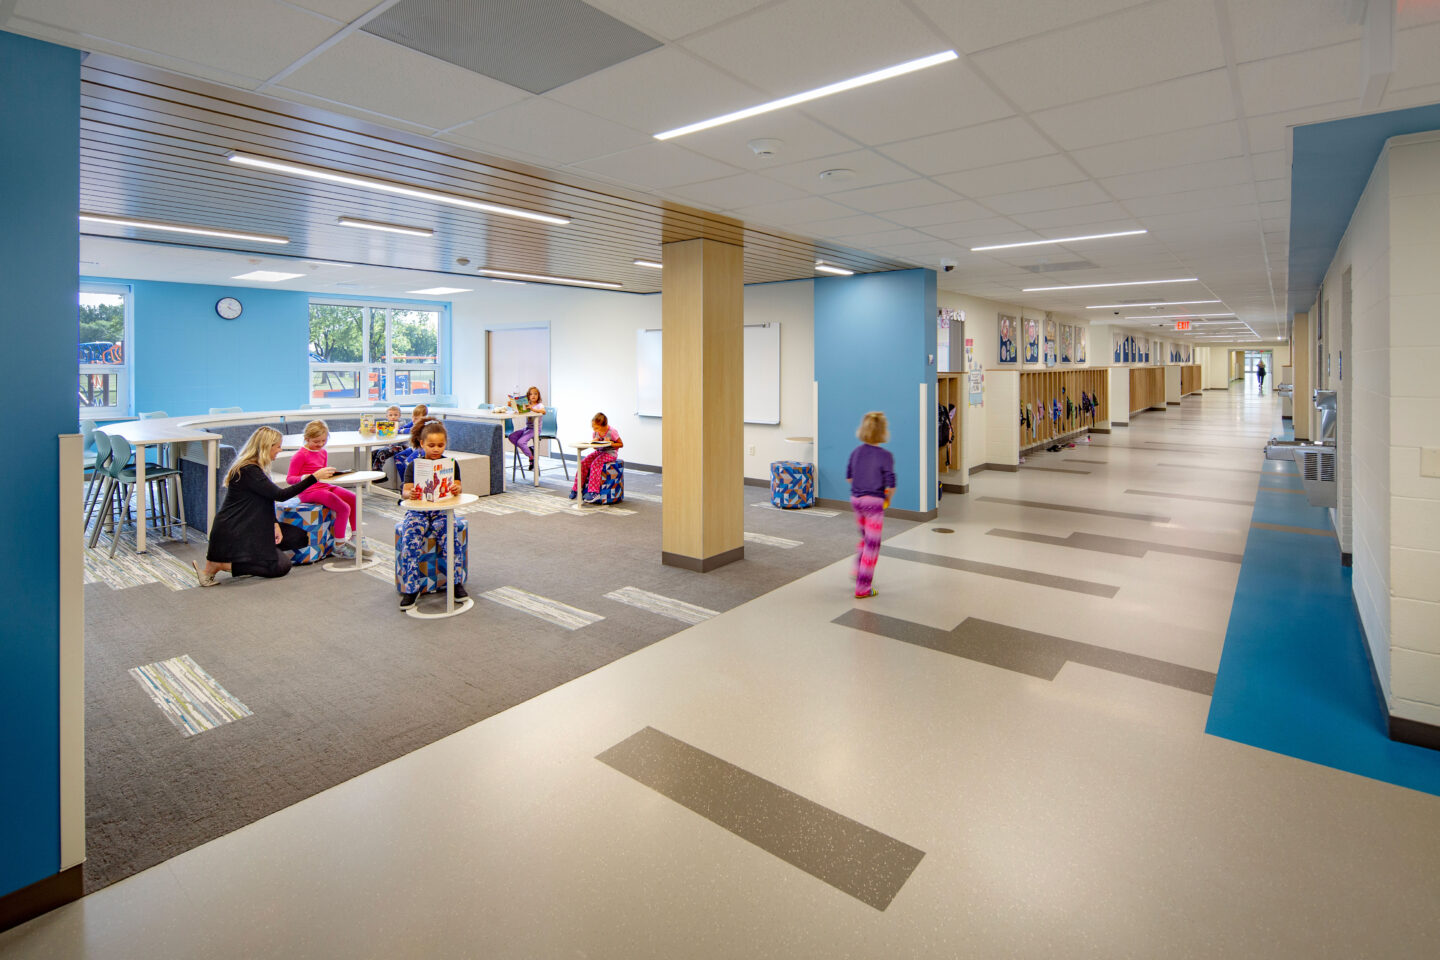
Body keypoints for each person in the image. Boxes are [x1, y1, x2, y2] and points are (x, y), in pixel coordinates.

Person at [193, 426, 335, 585]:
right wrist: (313, 478)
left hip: (255, 525)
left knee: (299, 537)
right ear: (267, 447)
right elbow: (280, 496)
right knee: (281, 566)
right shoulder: (248, 470)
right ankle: (219, 564)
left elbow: (267, 499)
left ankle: (256, 556)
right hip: (237, 530)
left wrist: (274, 523)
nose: (280, 450)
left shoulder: (256, 468)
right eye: (278, 446)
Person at [397, 420, 467, 610]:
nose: (436, 449)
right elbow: (405, 491)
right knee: (410, 538)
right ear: (422, 444)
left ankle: (455, 582)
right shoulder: (414, 465)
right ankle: (412, 587)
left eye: (440, 445)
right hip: (418, 510)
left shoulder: (451, 464)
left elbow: (459, 488)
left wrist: (455, 488)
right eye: (431, 445)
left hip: (442, 509)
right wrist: (410, 494)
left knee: (450, 538)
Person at [288, 420, 366, 558]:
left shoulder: (323, 452)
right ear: (306, 439)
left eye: (323, 441)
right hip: (308, 491)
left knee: (353, 498)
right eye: (316, 441)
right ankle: (339, 545)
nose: (320, 444)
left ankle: (356, 536)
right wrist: (308, 477)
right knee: (343, 508)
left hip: (324, 486)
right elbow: (290, 479)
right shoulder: (300, 455)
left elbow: (322, 474)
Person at [846, 411, 895, 600]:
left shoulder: (856, 452)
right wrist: (887, 498)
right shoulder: (885, 456)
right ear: (883, 432)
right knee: (872, 545)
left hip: (856, 501)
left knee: (865, 538)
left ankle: (857, 569)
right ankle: (863, 588)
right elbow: (891, 483)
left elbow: (850, 477)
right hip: (874, 503)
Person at [570, 412, 622, 503]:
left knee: (596, 463)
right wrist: (594, 442)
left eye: (597, 427)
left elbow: (621, 444)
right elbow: (596, 447)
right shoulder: (595, 433)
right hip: (600, 451)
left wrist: (610, 443)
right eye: (593, 427)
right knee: (583, 462)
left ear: (604, 425)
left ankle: (594, 492)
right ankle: (577, 488)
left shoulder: (612, 431)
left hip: (610, 453)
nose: (595, 430)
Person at [505, 386, 546, 470]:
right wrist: (512, 405)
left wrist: (533, 409)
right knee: (511, 436)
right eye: (531, 394)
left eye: (535, 394)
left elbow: (543, 411)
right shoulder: (527, 405)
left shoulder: (539, 405)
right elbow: (518, 410)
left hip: (535, 429)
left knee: (520, 442)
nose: (533, 396)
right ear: (528, 396)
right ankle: (530, 451)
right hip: (527, 428)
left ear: (538, 396)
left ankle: (531, 457)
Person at [370, 404, 405, 474]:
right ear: (387, 416)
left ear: (399, 415)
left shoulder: (401, 424)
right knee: (372, 453)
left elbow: (393, 428)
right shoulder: (385, 423)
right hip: (390, 446)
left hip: (401, 447)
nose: (393, 417)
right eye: (391, 415)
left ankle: (377, 471)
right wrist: (367, 428)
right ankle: (373, 472)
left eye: (395, 415)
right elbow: (378, 427)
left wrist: (377, 429)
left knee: (381, 452)